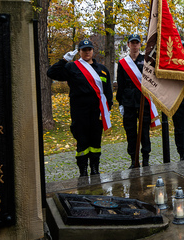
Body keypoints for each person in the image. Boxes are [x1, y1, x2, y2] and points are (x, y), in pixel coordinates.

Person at [48, 38, 113, 176]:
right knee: (82, 141)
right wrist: (64, 60)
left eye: (89, 49)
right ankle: (83, 169)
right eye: (84, 50)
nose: (87, 52)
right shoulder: (72, 67)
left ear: (93, 51)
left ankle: (95, 168)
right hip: (80, 111)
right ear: (79, 52)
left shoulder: (102, 70)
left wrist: (109, 108)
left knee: (96, 140)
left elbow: (107, 91)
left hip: (97, 111)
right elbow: (51, 73)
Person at [116, 34, 155, 168]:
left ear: (140, 45)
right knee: (130, 131)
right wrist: (120, 102)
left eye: (136, 43)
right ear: (128, 45)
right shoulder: (122, 63)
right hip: (128, 101)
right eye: (132, 43)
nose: (134, 45)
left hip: (142, 100)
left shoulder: (146, 61)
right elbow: (120, 84)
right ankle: (134, 159)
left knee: (144, 130)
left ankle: (145, 158)